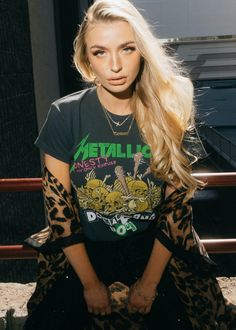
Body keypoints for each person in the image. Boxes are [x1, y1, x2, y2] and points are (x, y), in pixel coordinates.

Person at [23, 0, 236, 329]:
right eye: (100, 52)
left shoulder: (171, 111)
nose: (115, 65)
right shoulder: (65, 115)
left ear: (143, 52)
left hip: (154, 250)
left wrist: (149, 286)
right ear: (85, 58)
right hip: (85, 251)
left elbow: (175, 212)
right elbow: (59, 213)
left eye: (127, 49)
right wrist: (91, 285)